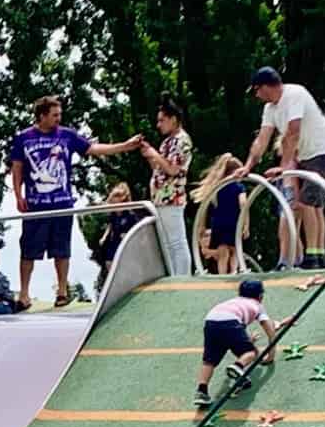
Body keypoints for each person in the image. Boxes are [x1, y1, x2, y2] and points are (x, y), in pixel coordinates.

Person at [8, 96, 144, 309]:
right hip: (36, 205)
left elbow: (93, 148)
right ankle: (24, 294)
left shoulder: (67, 135)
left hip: (62, 203)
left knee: (62, 250)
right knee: (29, 250)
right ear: (42, 116)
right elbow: (17, 168)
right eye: (54, 115)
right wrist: (18, 195)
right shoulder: (24, 138)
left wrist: (124, 146)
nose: (58, 119)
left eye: (59, 115)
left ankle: (62, 291)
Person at [241, 67, 325, 269]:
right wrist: (248, 166)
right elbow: (262, 139)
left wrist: (284, 168)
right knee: (316, 205)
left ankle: (313, 255)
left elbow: (293, 133)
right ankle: (319, 254)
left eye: (257, 90)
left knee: (306, 203)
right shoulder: (270, 109)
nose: (257, 95)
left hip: (324, 151)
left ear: (267, 87)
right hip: (306, 156)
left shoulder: (295, 94)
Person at [195, 279, 285, 408]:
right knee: (250, 352)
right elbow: (270, 330)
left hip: (211, 321)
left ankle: (201, 391)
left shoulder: (233, 302)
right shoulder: (257, 306)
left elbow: (233, 334)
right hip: (231, 322)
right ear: (260, 296)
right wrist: (270, 355)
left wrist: (249, 340)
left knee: (210, 360)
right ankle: (238, 366)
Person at [139, 94, 195, 276]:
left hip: (173, 198)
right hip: (160, 198)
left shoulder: (183, 141)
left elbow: (172, 169)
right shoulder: (166, 142)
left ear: (173, 119)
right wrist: (150, 155)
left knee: (177, 242)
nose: (159, 125)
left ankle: (183, 276)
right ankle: (174, 275)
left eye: (162, 120)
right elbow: (158, 167)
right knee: (167, 243)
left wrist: (154, 154)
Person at [88, 182, 152, 291]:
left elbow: (137, 229)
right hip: (115, 241)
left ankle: (128, 284)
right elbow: (111, 225)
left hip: (126, 242)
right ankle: (114, 284)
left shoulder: (130, 215)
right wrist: (104, 237)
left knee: (124, 263)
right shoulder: (114, 215)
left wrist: (128, 235)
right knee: (109, 262)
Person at [193, 153, 248, 275]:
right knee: (235, 249)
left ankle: (222, 273)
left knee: (222, 249)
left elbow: (206, 206)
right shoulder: (239, 187)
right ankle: (234, 271)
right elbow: (243, 204)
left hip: (218, 222)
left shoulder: (216, 187)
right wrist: (246, 224)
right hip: (234, 221)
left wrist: (201, 226)